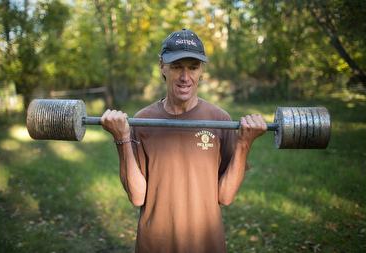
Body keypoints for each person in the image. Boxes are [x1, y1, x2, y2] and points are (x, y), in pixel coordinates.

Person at [101, 28, 267, 253]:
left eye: (193, 67)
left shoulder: (220, 120)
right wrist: (121, 139)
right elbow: (138, 196)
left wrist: (244, 144)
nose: (185, 77)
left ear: (202, 71)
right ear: (162, 66)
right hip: (155, 245)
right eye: (177, 66)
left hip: (206, 244)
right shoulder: (142, 120)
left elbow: (226, 197)